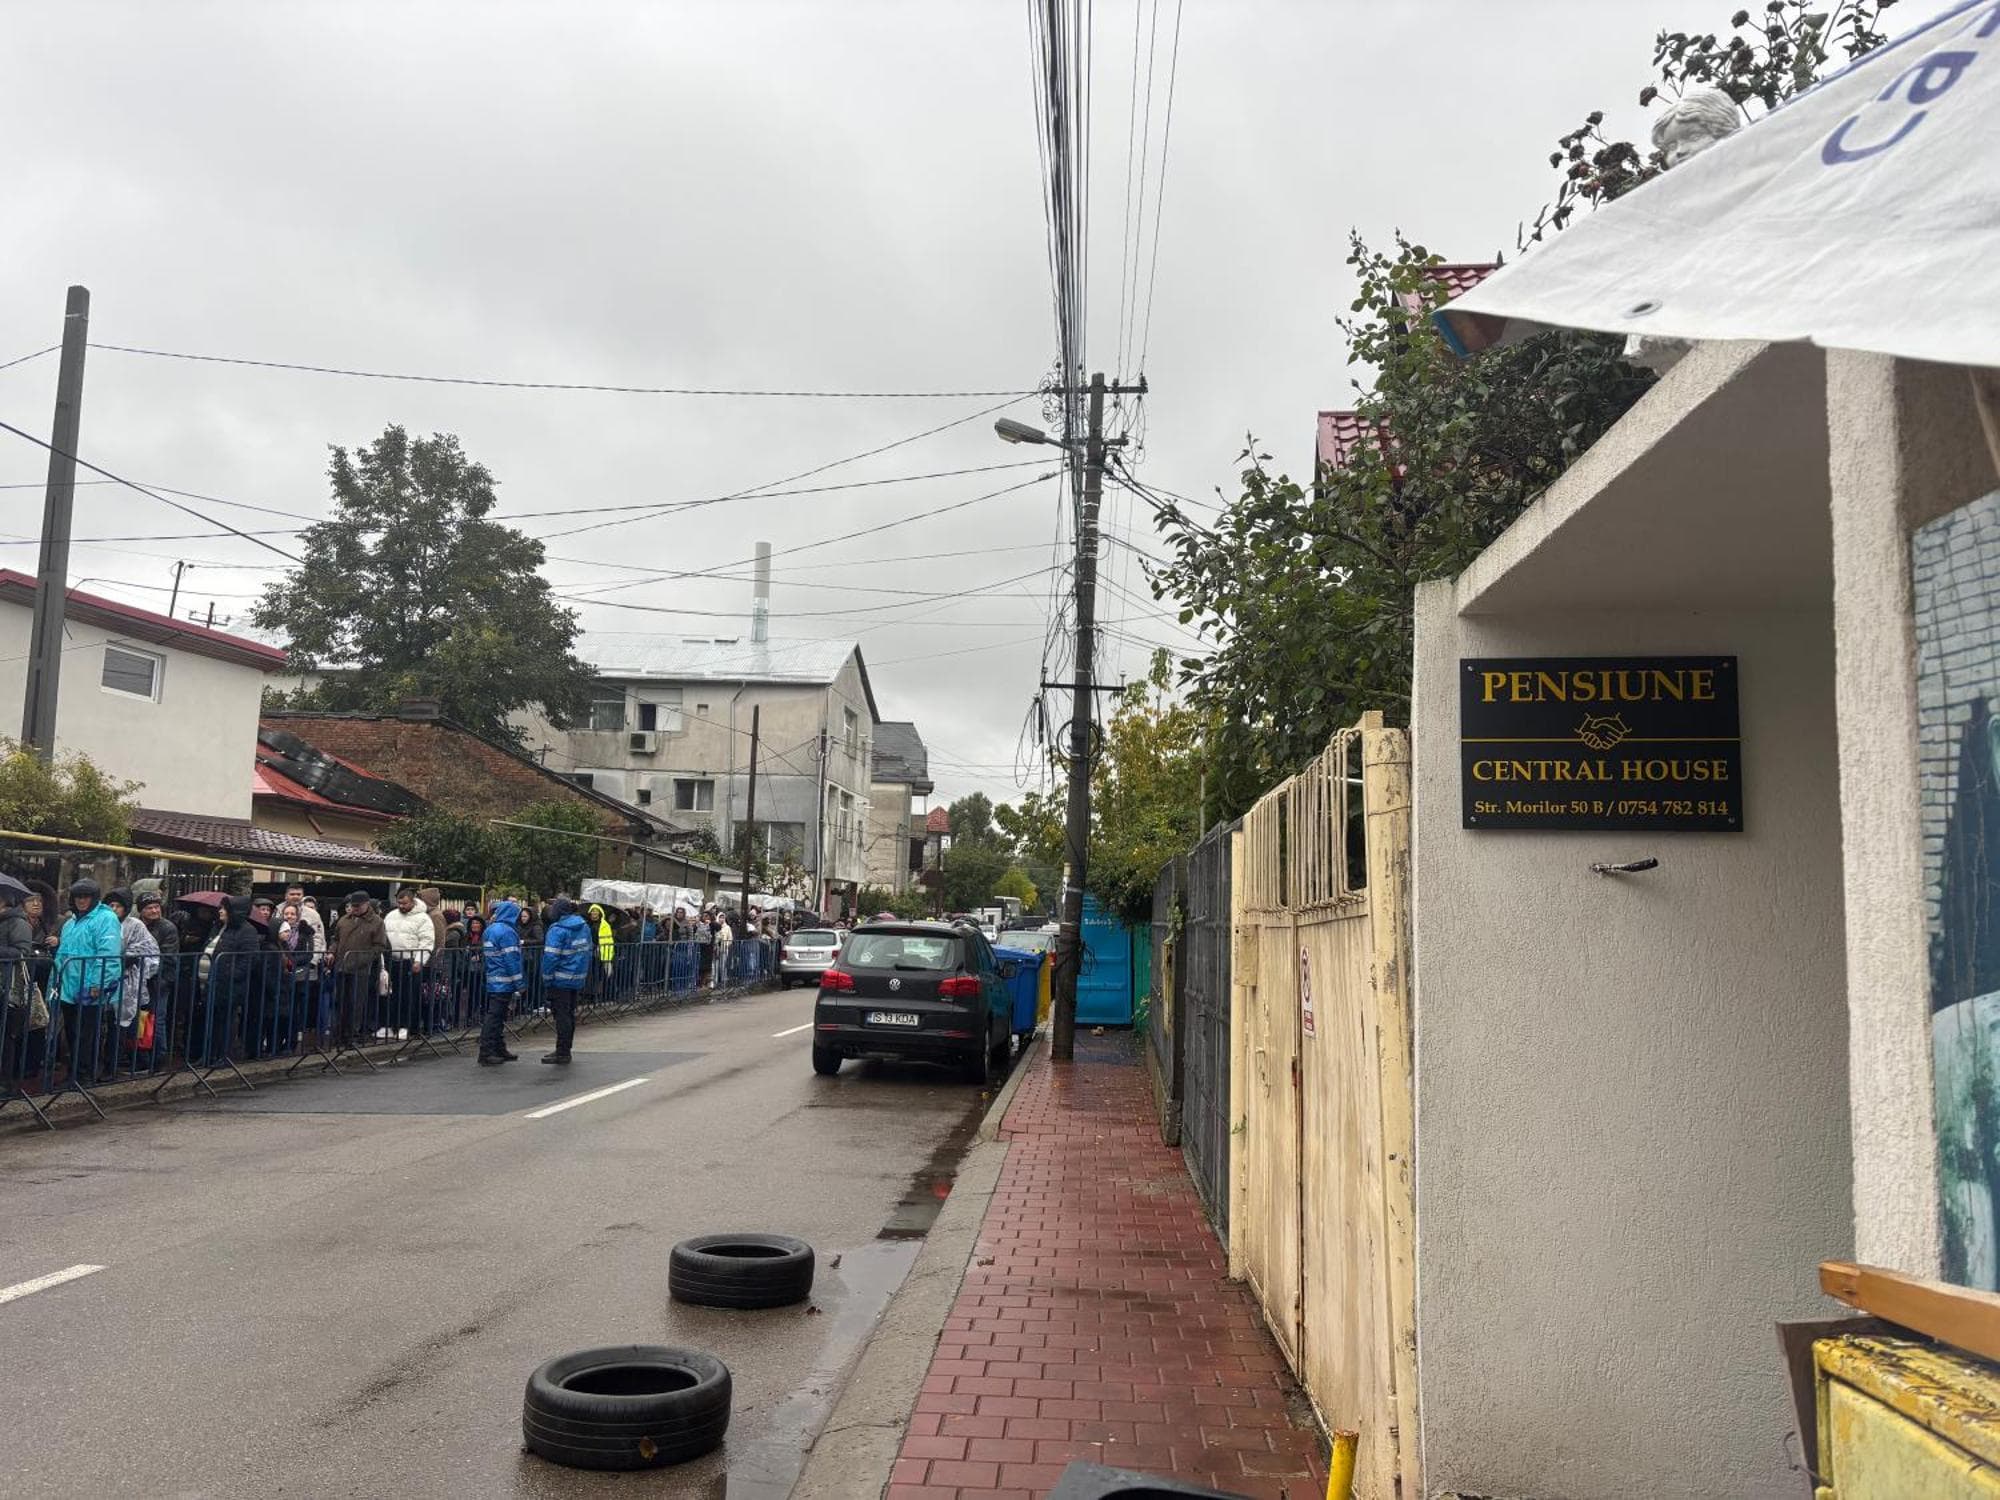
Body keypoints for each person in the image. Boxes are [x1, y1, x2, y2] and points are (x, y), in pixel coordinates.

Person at [53, 879, 123, 1086]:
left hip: (90, 987)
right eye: (78, 897)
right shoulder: (70, 922)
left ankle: (84, 1075)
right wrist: (56, 983)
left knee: (87, 1035)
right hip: (68, 987)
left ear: (94, 898)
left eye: (86, 897)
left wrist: (98, 984)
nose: (81, 900)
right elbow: (62, 955)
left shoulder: (106, 918)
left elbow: (108, 954)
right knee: (72, 1033)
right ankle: (74, 1073)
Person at [327, 890, 389, 1055]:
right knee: (340, 1001)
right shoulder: (344, 920)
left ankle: (351, 1035)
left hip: (360, 968)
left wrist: (362, 959)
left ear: (367, 904)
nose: (354, 909)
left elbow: (379, 946)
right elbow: (336, 939)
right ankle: (339, 1034)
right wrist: (332, 951)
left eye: (358, 906)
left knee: (356, 1003)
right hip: (342, 965)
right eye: (352, 906)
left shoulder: (376, 922)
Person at [204, 895, 262, 1066]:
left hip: (230, 985)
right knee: (213, 1020)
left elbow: (250, 959)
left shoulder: (247, 930)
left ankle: (224, 1056)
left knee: (226, 1021)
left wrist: (231, 974)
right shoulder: (219, 927)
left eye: (224, 908)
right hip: (212, 981)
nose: (220, 911)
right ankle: (210, 1054)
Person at [104, 890, 160, 1063]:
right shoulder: (102, 923)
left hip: (128, 983)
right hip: (105, 979)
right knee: (106, 1022)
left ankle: (118, 1061)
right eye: (110, 905)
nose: (114, 909)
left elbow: (150, 950)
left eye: (118, 906)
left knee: (126, 1024)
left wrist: (129, 958)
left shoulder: (135, 925)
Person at [538, 898, 592, 1064]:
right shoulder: (584, 927)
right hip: (576, 978)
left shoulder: (557, 930)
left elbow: (550, 957)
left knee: (561, 1016)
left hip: (559, 980)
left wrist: (547, 978)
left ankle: (562, 1052)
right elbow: (588, 951)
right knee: (569, 1015)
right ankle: (565, 1049)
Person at [1, 888, 42, 1087]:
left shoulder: (18, 922)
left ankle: (4, 1081)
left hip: (7, 988)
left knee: (5, 1036)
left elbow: (22, 953)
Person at [382, 887, 435, 1039]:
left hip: (410, 961)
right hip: (392, 960)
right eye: (399, 903)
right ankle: (392, 1025)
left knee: (409, 996)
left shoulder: (423, 918)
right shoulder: (391, 915)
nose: (401, 906)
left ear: (413, 902)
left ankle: (407, 1026)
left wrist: (419, 960)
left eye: (405, 903)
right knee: (391, 995)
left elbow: (427, 941)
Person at [478, 901, 524, 1066]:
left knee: (497, 1016)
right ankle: (487, 1052)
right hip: (504, 980)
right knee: (495, 1017)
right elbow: (512, 960)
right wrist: (520, 983)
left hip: (494, 978)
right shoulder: (507, 932)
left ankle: (498, 1048)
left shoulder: (490, 929)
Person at [711, 907, 734, 989]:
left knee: (723, 966)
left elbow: (730, 938)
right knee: (715, 966)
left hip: (724, 949)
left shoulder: (727, 927)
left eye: (723, 917)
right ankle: (714, 982)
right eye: (720, 917)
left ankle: (723, 982)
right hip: (716, 949)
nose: (721, 919)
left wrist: (726, 944)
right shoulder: (714, 926)